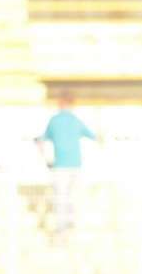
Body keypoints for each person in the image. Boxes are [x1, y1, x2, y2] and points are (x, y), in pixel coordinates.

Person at [35, 92, 96, 234]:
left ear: (60, 104)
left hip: (60, 166)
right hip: (76, 165)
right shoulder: (76, 120)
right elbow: (93, 136)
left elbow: (42, 140)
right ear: (72, 104)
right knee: (73, 196)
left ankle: (61, 228)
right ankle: (72, 225)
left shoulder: (54, 120)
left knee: (61, 196)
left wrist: (42, 153)